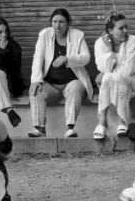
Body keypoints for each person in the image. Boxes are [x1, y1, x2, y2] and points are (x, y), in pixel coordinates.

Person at [28, 8, 92, 138]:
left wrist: (68, 59)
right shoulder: (44, 35)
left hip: (71, 82)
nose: (58, 25)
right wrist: (36, 80)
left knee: (75, 87)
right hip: (51, 84)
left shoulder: (77, 35)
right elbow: (38, 58)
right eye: (55, 21)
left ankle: (70, 128)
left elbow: (86, 57)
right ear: (51, 23)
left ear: (68, 23)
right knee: (35, 89)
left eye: (61, 22)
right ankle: (40, 129)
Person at [93, 13, 135, 140]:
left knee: (115, 78)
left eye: (126, 27)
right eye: (121, 28)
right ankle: (103, 123)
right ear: (110, 30)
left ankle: (122, 121)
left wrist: (106, 73)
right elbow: (103, 68)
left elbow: (129, 70)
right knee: (110, 78)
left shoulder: (133, 41)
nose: (126, 31)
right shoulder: (100, 43)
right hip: (114, 82)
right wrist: (109, 49)